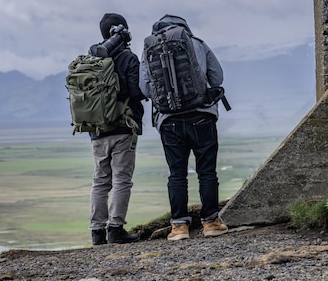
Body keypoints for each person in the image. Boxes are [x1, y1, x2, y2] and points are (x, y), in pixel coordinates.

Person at [139, 14, 228, 241]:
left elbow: (145, 88)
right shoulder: (196, 42)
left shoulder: (149, 49)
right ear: (183, 27)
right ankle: (210, 223)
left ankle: (179, 227)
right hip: (202, 117)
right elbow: (217, 77)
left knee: (176, 174)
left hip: (169, 121)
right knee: (206, 171)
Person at [88, 13, 146, 245]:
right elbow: (136, 92)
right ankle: (115, 229)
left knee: (100, 180)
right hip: (123, 127)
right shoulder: (128, 58)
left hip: (97, 130)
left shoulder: (92, 58)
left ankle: (96, 232)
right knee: (122, 179)